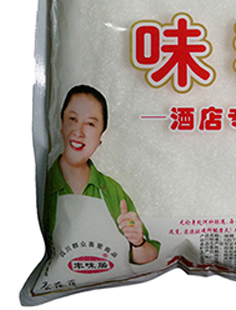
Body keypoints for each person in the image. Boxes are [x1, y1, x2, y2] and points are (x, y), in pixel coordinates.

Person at [43, 85, 159, 265]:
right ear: (61, 125)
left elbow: (149, 255)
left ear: (100, 137)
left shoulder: (112, 191)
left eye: (90, 123)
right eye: (72, 119)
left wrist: (138, 242)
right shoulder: (42, 183)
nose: (79, 132)